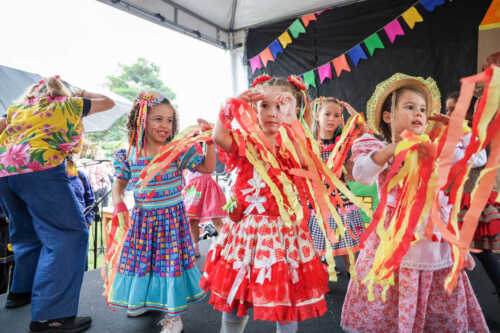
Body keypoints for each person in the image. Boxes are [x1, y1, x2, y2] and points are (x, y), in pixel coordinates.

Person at [340, 73, 489, 332]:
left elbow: (477, 157)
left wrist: (459, 131)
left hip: (432, 240)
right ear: (388, 116)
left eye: (422, 109)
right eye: (409, 107)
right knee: (389, 301)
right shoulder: (376, 146)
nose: (419, 113)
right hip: (392, 241)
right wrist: (394, 148)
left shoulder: (434, 147)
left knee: (437, 301)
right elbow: (362, 174)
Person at [200, 76, 329, 333]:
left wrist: (293, 125)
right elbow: (219, 137)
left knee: (287, 298)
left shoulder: (295, 144)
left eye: (281, 106)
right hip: (247, 234)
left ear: (293, 110)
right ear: (253, 109)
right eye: (264, 106)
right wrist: (228, 108)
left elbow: (308, 166)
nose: (272, 113)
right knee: (236, 295)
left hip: (285, 234)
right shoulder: (245, 140)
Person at [0, 76, 114, 333]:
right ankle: (52, 317)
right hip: (39, 168)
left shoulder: (18, 109)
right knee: (69, 235)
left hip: (5, 172)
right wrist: (80, 90)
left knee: (27, 235)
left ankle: (21, 292)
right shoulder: (68, 104)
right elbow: (107, 102)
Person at [106, 91, 215, 333]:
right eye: (158, 119)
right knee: (143, 262)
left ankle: (173, 316)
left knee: (169, 264)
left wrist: (209, 141)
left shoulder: (176, 150)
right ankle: (142, 300)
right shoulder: (129, 153)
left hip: (171, 221)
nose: (165, 125)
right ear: (140, 119)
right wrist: (118, 203)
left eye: (169, 120)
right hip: (143, 220)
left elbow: (207, 167)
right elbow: (119, 183)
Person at [308, 97, 365, 271]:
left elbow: (363, 129)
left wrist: (350, 110)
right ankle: (319, 280)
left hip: (340, 198)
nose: (332, 119)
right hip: (318, 200)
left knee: (348, 242)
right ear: (317, 116)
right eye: (327, 114)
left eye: (337, 115)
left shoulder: (342, 141)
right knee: (318, 245)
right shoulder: (309, 142)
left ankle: (354, 279)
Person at [183, 164, 227, 257]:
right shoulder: (183, 155)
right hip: (193, 188)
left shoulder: (200, 151)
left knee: (216, 218)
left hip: (206, 185)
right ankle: (195, 247)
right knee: (192, 221)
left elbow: (208, 165)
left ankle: (226, 244)